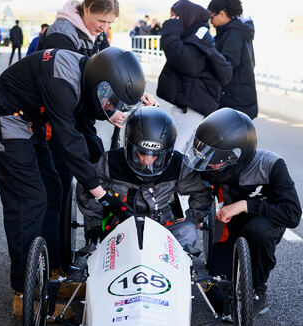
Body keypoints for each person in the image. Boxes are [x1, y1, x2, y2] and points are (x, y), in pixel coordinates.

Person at [0, 46, 145, 317]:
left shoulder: (88, 72)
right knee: (29, 199)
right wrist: (102, 195)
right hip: (2, 117)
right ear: (98, 85)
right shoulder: (62, 84)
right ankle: (24, 292)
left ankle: (49, 275)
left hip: (31, 121)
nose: (110, 107)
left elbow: (85, 133)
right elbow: (69, 143)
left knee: (54, 190)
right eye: (110, 102)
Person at [35, 0, 158, 271]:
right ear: (86, 9)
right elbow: (68, 83)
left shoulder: (96, 34)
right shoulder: (61, 34)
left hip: (80, 115)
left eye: (110, 24)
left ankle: (101, 235)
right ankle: (56, 265)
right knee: (61, 184)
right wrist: (109, 111)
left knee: (101, 165)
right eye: (100, 21)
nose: (104, 28)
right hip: (58, 115)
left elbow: (108, 73)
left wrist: (138, 95)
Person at [183, 108, 302, 320]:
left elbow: (292, 215)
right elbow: (200, 195)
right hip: (230, 227)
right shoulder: (212, 168)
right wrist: (192, 220)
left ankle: (259, 291)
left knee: (258, 229)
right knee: (218, 298)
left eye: (213, 157)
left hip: (264, 224)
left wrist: (245, 205)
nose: (208, 162)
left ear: (234, 155)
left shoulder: (271, 165)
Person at [76, 106, 212, 249]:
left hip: (161, 227)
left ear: (168, 152)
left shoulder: (177, 164)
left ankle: (181, 262)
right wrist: (95, 225)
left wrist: (193, 218)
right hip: (119, 226)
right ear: (128, 146)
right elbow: (87, 187)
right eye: (141, 153)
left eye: (155, 156)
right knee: (97, 242)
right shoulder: (111, 162)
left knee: (188, 231)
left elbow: (202, 192)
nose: (147, 161)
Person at [156, 0, 232, 151]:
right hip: (190, 105)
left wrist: (170, 28)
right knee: (179, 149)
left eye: (176, 17)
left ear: (186, 17)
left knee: (175, 151)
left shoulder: (199, 38)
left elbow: (182, 59)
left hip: (193, 108)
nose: (173, 21)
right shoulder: (195, 35)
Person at [208, 0, 258, 119]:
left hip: (236, 100)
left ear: (222, 14)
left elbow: (228, 63)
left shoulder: (233, 33)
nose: (211, 22)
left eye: (211, 17)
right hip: (237, 98)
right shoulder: (231, 31)